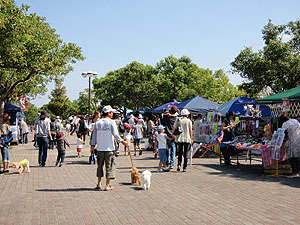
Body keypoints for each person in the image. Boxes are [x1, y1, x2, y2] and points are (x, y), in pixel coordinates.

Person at [90, 105, 127, 191]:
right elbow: (116, 134)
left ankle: (99, 183)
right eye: (112, 113)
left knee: (100, 166)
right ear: (109, 113)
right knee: (109, 166)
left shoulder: (98, 122)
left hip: (99, 148)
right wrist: (122, 141)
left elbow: (94, 136)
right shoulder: (111, 122)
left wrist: (92, 146)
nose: (112, 114)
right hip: (109, 148)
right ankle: (107, 185)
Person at [279, 113, 300, 178]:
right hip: (298, 140)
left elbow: (282, 134)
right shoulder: (295, 121)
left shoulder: (285, 124)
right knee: (297, 157)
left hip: (292, 141)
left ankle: (295, 172)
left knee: (291, 157)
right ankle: (298, 172)